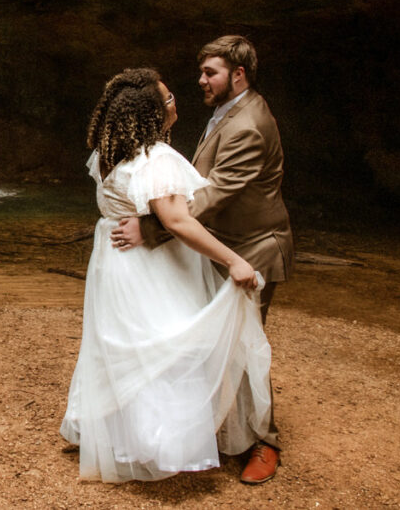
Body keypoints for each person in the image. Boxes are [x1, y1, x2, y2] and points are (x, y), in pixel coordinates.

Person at [60, 67, 272, 483]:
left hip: (115, 266)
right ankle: (164, 446)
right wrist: (234, 261)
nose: (177, 101)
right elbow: (177, 221)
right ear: (150, 113)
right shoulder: (154, 158)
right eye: (169, 99)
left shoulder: (109, 153)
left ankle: (119, 439)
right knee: (169, 346)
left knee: (126, 345)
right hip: (150, 269)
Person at [110, 35, 294, 484]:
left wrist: (152, 226)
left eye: (210, 73)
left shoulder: (248, 124)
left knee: (245, 344)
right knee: (215, 343)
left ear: (239, 75)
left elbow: (212, 193)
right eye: (202, 72)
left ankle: (264, 444)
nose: (201, 80)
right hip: (225, 243)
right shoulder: (227, 111)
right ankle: (215, 427)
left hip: (254, 248)